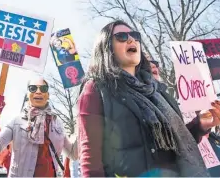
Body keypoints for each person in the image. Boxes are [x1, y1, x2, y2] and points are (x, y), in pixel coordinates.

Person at [77, 20, 220, 177]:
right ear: (105, 47)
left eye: (135, 36)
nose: (132, 40)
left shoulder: (158, 91)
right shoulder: (96, 89)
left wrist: (200, 125)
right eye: (122, 36)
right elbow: (90, 160)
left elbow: (179, 146)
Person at [0, 77, 78, 177]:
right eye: (33, 88)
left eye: (43, 89)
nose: (38, 92)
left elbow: (73, 154)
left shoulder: (57, 123)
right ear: (28, 94)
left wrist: (82, 123)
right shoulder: (16, 121)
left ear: (48, 95)